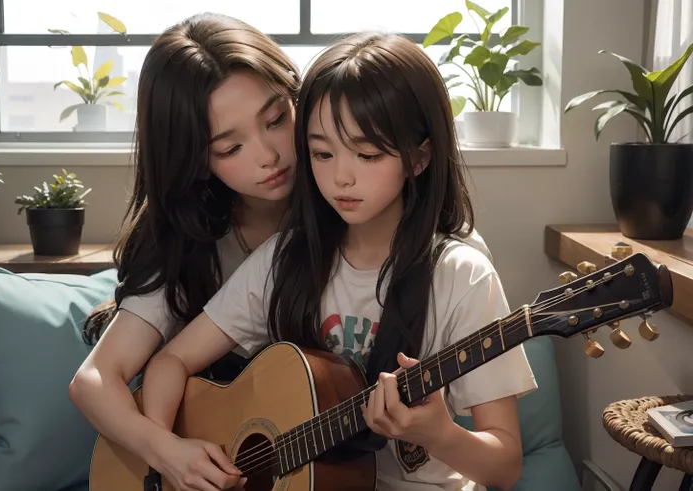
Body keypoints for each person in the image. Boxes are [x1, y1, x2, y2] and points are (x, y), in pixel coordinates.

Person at [148, 31, 539, 491]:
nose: (341, 177)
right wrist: (166, 461)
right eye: (321, 153)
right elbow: (169, 362)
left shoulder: (461, 277)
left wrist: (441, 434)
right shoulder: (283, 262)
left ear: (419, 158)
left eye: (367, 153)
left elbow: (505, 466)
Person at [67, 11, 301, 481]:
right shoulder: (183, 237)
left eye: (276, 119)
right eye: (230, 148)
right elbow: (93, 380)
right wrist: (167, 452)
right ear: (194, 161)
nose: (268, 155)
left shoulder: (347, 203)